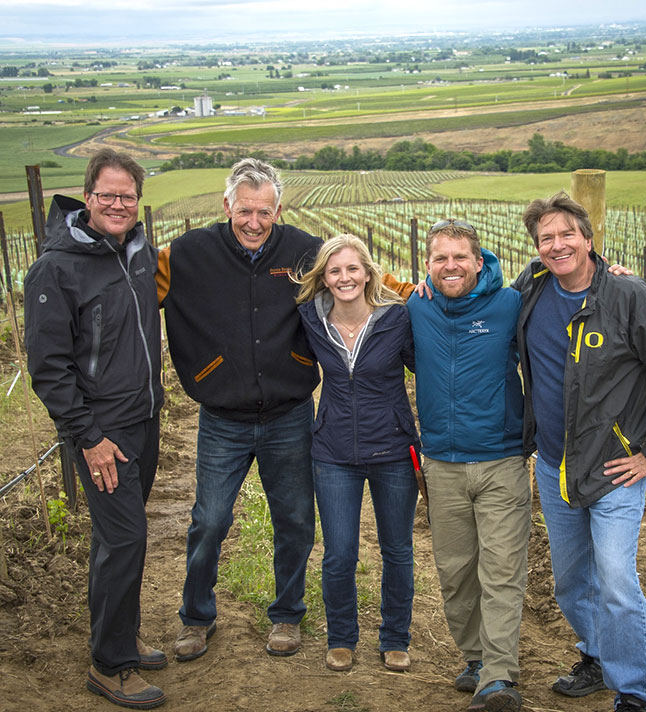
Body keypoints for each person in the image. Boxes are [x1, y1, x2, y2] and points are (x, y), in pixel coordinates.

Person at [515, 192, 646, 712]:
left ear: (588, 239)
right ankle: (599, 655)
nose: (557, 246)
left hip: (614, 471)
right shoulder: (532, 287)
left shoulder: (627, 296)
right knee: (571, 582)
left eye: (566, 235)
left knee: (618, 582)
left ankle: (636, 694)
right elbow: (481, 293)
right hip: (554, 466)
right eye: (545, 239)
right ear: (536, 249)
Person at [156, 157, 323, 661]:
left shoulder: (305, 252)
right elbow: (128, 291)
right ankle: (195, 617)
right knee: (210, 519)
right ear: (226, 204)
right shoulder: (185, 255)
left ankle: (288, 615)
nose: (254, 222)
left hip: (288, 412)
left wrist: (424, 291)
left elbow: (360, 280)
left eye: (265, 212)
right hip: (222, 417)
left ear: (278, 209)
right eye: (244, 210)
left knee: (294, 518)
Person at [24, 149, 166, 709]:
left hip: (144, 420)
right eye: (106, 195)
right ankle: (110, 666)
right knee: (125, 538)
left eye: (126, 196)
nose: (116, 204)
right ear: (87, 197)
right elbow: (48, 367)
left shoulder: (135, 249)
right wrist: (87, 436)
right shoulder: (56, 268)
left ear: (137, 202)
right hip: (101, 432)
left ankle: (119, 635)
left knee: (120, 541)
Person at [399, 219, 530, 712]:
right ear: (427, 265)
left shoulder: (511, 305)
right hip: (441, 463)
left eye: (460, 257)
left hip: (500, 461)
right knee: (456, 573)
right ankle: (475, 659)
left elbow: (565, 288)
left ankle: (499, 677)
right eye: (440, 258)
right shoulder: (416, 305)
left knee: (501, 571)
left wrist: (613, 272)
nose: (450, 266)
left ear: (480, 260)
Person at [296, 235, 420, 673]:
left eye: (353, 269)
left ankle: (394, 638)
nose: (344, 277)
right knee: (339, 552)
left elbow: (427, 360)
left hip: (393, 450)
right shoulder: (309, 320)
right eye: (335, 271)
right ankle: (342, 637)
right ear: (324, 279)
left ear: (368, 272)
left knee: (398, 549)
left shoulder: (397, 319)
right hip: (332, 452)